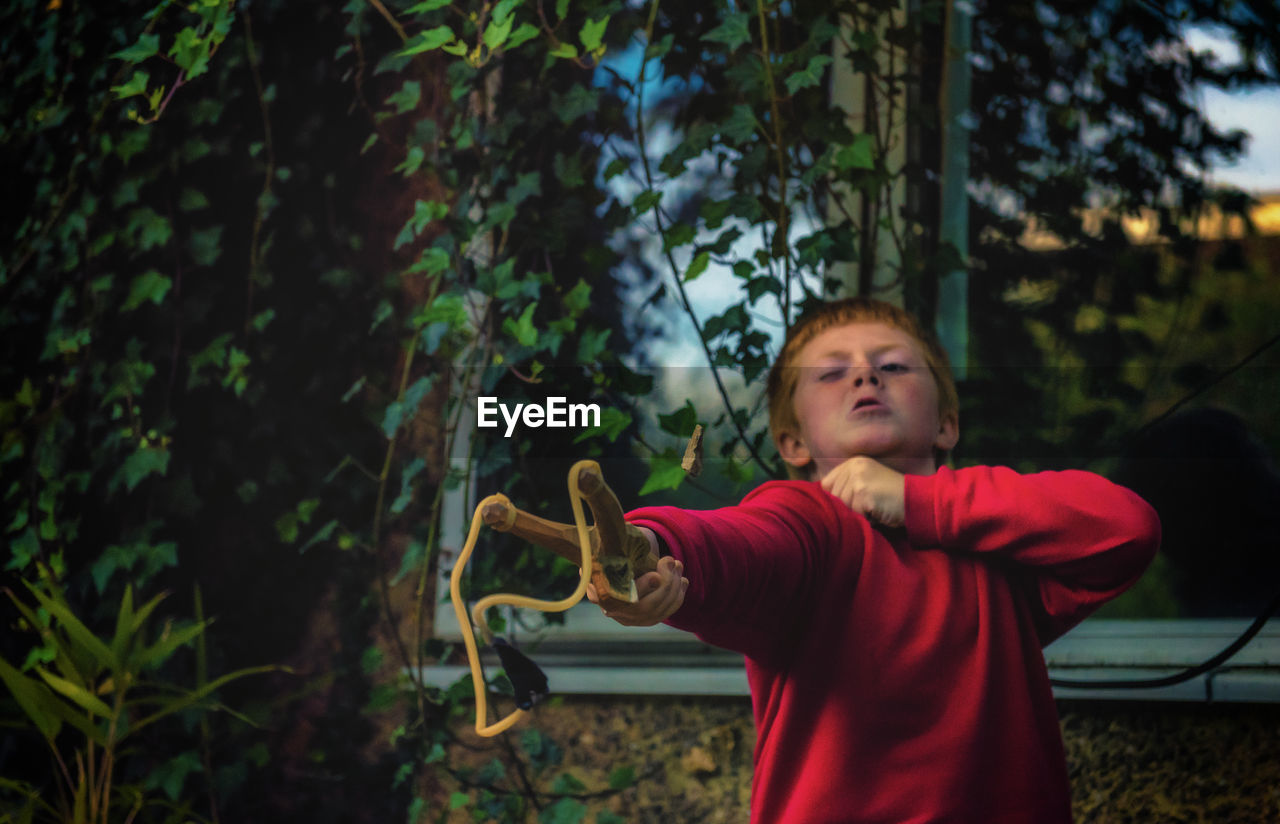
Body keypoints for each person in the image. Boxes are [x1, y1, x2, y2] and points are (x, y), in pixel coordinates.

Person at [590, 297, 1160, 823]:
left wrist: (917, 500)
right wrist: (652, 546)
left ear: (946, 425)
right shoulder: (808, 523)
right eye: (831, 372)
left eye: (895, 366)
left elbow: (1126, 529)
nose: (866, 374)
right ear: (794, 444)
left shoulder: (1001, 553)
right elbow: (743, 546)